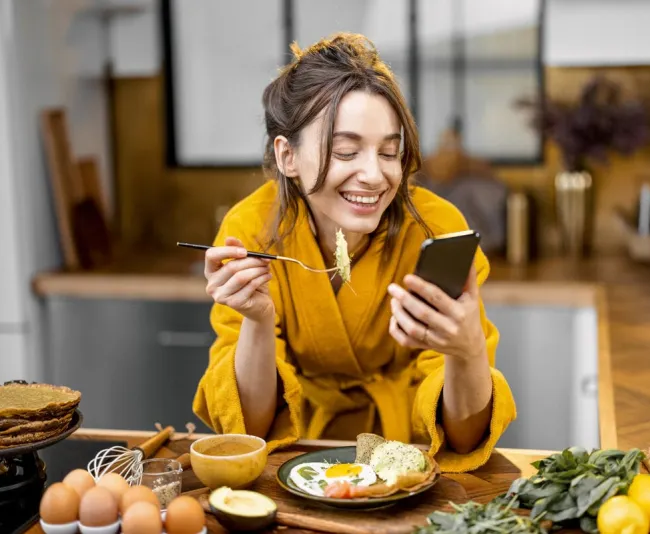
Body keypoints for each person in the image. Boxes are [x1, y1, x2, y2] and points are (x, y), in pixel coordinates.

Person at [193, 33, 516, 472]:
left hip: (406, 463)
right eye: (346, 151)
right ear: (288, 156)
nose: (375, 175)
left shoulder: (437, 229)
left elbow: (465, 438)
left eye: (389, 151)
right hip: (297, 458)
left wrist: (468, 352)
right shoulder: (252, 233)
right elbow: (250, 428)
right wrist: (257, 320)